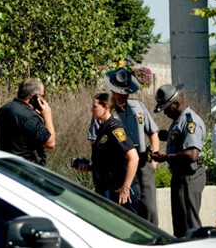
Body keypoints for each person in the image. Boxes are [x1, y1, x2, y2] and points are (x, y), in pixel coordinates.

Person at [89, 67, 160, 224]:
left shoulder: (138, 107)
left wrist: (153, 163)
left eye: (127, 92)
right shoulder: (104, 113)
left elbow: (153, 133)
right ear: (112, 91)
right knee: (125, 210)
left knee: (149, 209)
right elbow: (95, 144)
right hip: (119, 169)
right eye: (120, 92)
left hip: (141, 162)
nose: (124, 95)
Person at [151, 84, 206, 237]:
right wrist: (165, 136)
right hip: (180, 176)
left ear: (176, 103)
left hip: (190, 176)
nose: (165, 113)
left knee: (190, 223)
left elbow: (192, 154)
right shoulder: (178, 120)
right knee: (180, 224)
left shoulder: (190, 121)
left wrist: (166, 157)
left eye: (167, 109)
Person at [74, 93, 139, 212]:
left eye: (94, 107)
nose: (91, 110)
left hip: (121, 192)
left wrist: (126, 187)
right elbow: (109, 161)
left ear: (105, 108)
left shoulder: (115, 128)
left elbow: (134, 158)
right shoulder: (103, 129)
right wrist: (90, 168)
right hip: (107, 188)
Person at [0, 78, 56, 166]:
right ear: (33, 97)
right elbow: (50, 143)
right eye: (42, 96)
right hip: (25, 170)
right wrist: (47, 116)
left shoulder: (4, 109)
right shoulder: (28, 117)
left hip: (5, 167)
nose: (43, 101)